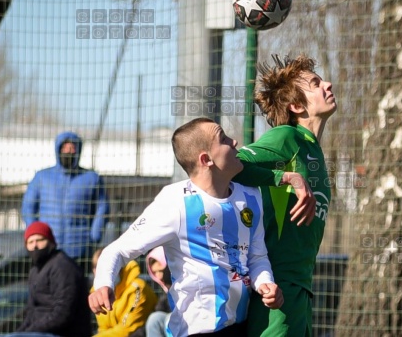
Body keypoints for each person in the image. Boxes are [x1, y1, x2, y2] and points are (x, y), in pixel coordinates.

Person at [89, 117, 284, 337]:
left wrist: (266, 284)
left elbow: (257, 257)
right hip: (196, 331)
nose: (235, 141)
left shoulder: (250, 196)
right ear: (206, 159)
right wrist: (103, 284)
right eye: (223, 138)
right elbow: (118, 250)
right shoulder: (175, 202)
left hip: (242, 327)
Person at [233, 54, 337, 336]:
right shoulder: (286, 137)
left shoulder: (311, 149)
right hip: (276, 289)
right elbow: (229, 163)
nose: (327, 84)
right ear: (296, 105)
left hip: (301, 289)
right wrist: (285, 177)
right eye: (315, 84)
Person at [21, 131, 110, 269]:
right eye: (64, 148)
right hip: (48, 247)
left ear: (78, 150)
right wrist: (36, 235)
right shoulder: (42, 177)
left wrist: (94, 236)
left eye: (72, 148)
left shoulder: (91, 178)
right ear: (58, 149)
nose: (68, 151)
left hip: (79, 247)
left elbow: (102, 208)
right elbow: (28, 208)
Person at [0, 221, 91, 337]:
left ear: (51, 242)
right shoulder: (36, 270)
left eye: (39, 240)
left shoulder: (63, 267)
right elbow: (31, 312)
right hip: (41, 331)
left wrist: (28, 332)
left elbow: (63, 314)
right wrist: (20, 332)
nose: (35, 245)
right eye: (30, 242)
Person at [91, 248, 158, 336]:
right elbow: (103, 328)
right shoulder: (97, 294)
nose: (104, 273)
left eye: (108, 268)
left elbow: (128, 329)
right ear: (94, 271)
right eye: (99, 268)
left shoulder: (137, 289)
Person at [130, 246, 173, 337]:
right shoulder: (166, 292)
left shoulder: (180, 285)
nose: (159, 276)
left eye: (161, 271)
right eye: (155, 272)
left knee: (155, 320)